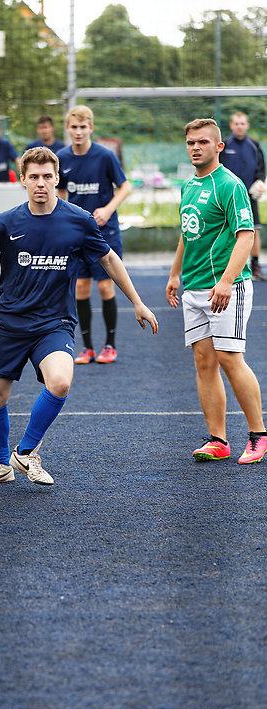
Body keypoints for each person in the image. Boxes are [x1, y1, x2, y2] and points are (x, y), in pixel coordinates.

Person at [0, 147, 158, 485]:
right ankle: (1, 465)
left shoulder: (79, 220)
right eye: (33, 177)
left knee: (61, 381)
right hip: (10, 322)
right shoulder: (6, 222)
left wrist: (137, 302)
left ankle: (25, 452)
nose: (41, 183)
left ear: (57, 178)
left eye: (47, 176)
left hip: (54, 322)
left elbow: (108, 259)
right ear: (22, 180)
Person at [166, 118, 267, 464]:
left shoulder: (230, 184)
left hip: (227, 288)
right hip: (194, 288)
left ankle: (259, 435)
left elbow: (246, 236)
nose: (196, 147)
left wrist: (225, 281)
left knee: (229, 358)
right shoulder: (188, 186)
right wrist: (175, 273)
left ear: (219, 146)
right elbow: (186, 233)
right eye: (191, 142)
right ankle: (218, 440)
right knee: (204, 362)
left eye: (203, 142)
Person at [57, 105, 132, 365]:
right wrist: (62, 216)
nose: (78, 132)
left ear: (90, 128)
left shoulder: (105, 156)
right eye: (74, 127)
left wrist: (108, 209)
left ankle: (110, 345)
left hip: (105, 232)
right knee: (80, 287)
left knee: (105, 285)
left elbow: (125, 186)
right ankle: (87, 347)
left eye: (83, 127)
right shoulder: (61, 157)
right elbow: (61, 191)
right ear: (67, 129)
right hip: (76, 233)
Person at [219, 112, 265, 280]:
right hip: (228, 196)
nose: (239, 126)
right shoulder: (224, 144)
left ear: (247, 125)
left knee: (253, 230)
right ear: (232, 125)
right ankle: (227, 267)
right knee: (227, 231)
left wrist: (260, 182)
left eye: (242, 123)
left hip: (249, 196)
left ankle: (255, 266)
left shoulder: (254, 145)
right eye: (236, 123)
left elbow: (261, 169)